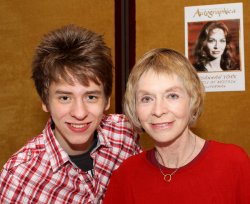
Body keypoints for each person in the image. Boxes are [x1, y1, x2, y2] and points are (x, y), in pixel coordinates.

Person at [0, 24, 141, 203]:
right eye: (65, 98)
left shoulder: (124, 133)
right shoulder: (20, 177)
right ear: (45, 102)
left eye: (91, 97)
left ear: (107, 101)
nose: (80, 113)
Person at [103, 48, 250, 203]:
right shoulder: (126, 176)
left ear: (192, 99)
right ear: (134, 107)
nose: (158, 110)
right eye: (147, 99)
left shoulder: (233, 163)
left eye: (172, 96)